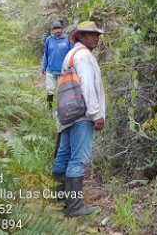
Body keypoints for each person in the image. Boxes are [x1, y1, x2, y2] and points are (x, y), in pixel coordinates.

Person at [51, 21, 106, 217]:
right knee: (78, 159)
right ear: (80, 36)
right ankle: (75, 207)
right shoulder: (84, 57)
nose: (96, 37)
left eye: (97, 35)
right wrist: (96, 114)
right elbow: (87, 88)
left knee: (63, 155)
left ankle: (60, 201)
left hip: (67, 115)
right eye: (91, 34)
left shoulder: (70, 55)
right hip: (82, 115)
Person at [41, 20, 72, 110]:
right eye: (55, 29)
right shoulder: (49, 40)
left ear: (62, 29)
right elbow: (46, 53)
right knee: (50, 90)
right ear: (52, 30)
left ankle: (62, 110)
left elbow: (71, 54)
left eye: (59, 28)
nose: (57, 30)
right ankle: (50, 109)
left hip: (63, 70)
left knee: (62, 91)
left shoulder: (67, 39)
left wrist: (71, 67)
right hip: (50, 70)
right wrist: (43, 66)